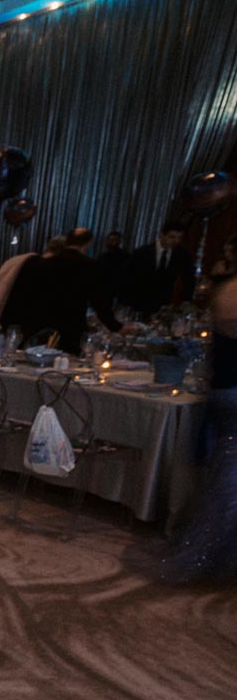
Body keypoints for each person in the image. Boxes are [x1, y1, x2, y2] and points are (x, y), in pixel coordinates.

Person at [163, 273, 237, 581]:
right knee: (228, 481)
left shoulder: (227, 288)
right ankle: (208, 555)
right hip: (233, 393)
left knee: (226, 474)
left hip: (224, 389)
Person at [29, 228, 124, 353]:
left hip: (41, 322)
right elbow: (99, 301)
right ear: (88, 243)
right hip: (72, 323)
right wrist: (115, 326)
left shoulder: (45, 263)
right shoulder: (90, 266)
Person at [123, 221, 194, 319]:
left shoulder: (182, 255)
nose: (176, 241)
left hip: (163, 303)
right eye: (172, 237)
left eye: (179, 238)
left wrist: (186, 300)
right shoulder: (141, 253)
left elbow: (189, 279)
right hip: (138, 301)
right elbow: (128, 278)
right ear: (162, 235)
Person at [97, 230, 130, 306]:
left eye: (114, 240)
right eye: (109, 240)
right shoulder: (103, 256)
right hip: (107, 290)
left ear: (119, 242)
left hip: (114, 290)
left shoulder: (125, 257)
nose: (110, 242)